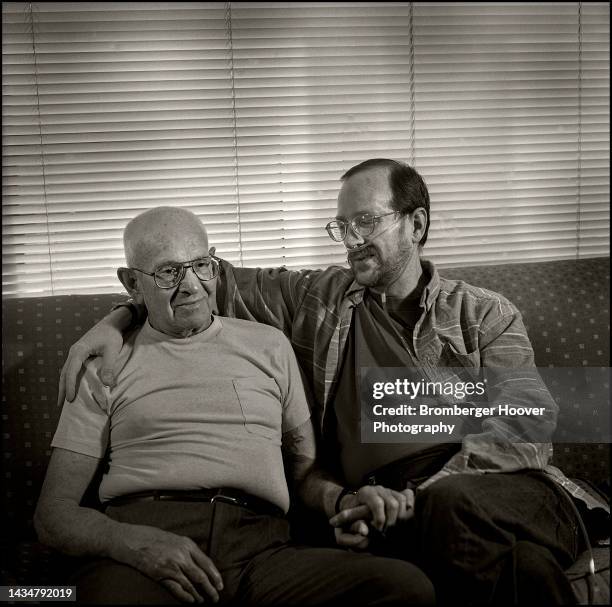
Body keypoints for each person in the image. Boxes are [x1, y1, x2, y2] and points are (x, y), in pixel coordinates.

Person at [58, 160, 609, 605]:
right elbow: (189, 280)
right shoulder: (315, 301)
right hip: (387, 506)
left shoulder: (482, 313)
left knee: (453, 511)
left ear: (416, 225)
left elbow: (526, 427)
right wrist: (115, 321)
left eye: (365, 222)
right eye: (342, 225)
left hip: (502, 490)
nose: (349, 239)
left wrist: (416, 497)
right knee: (521, 569)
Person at [35, 206, 435, 605]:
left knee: (404, 587)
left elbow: (305, 470)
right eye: (168, 272)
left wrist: (344, 501)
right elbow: (53, 514)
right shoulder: (103, 364)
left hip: (262, 551)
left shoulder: (270, 344)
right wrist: (129, 542)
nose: (191, 285)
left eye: (202, 265)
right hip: (146, 542)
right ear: (132, 284)